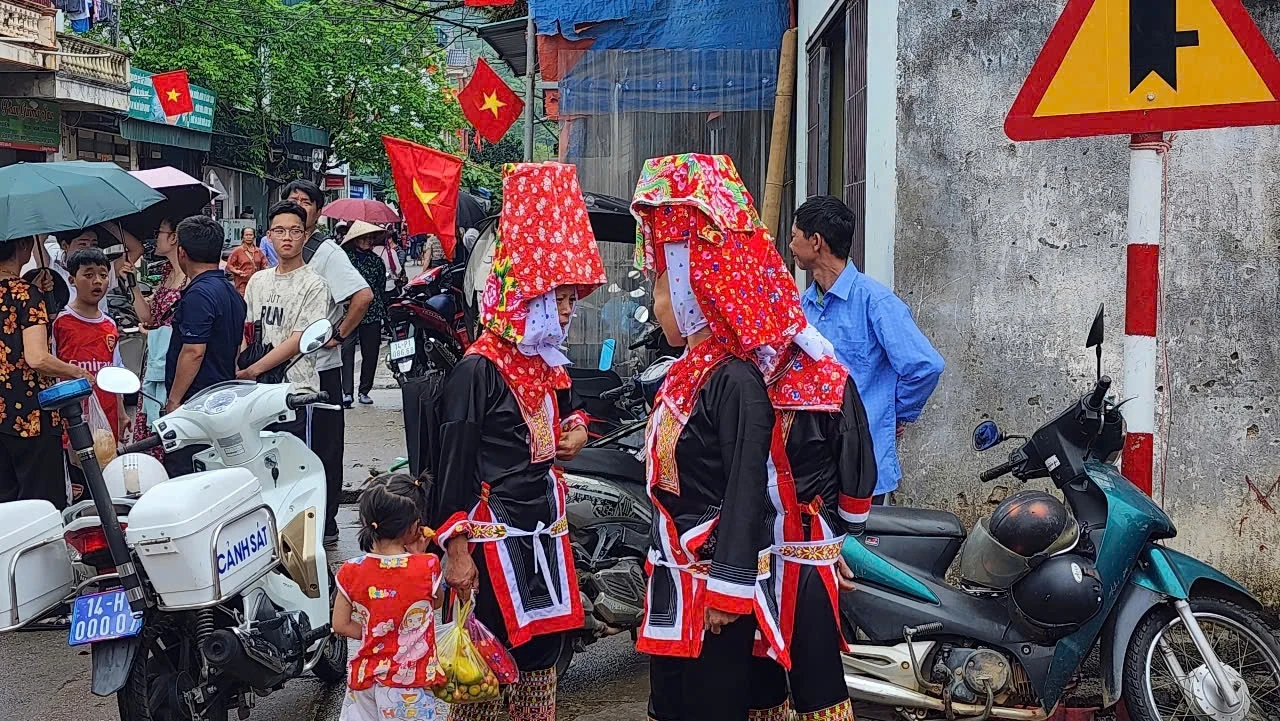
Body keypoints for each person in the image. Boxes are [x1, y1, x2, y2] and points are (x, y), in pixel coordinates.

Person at [432, 162, 605, 721]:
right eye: (558, 299)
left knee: (541, 661)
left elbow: (571, 409)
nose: (568, 310)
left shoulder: (544, 361)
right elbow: (452, 463)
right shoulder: (477, 370)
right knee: (488, 667)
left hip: (544, 537)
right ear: (523, 300)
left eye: (570, 299)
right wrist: (455, 552)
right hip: (491, 540)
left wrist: (574, 430)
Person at [630, 154, 787, 721]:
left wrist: (729, 586)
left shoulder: (736, 380)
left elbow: (748, 487)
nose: (656, 302)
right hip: (675, 577)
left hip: (714, 585)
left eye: (663, 288)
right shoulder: (687, 370)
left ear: (697, 290)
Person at [790, 195, 945, 504]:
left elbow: (926, 365)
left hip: (863, 467)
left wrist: (895, 413)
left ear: (816, 241)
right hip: (811, 467)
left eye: (794, 237)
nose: (791, 246)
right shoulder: (800, 307)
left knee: (861, 549)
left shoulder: (875, 302)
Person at [283, 179, 374, 544]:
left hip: (320, 370)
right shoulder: (277, 249)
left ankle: (327, 519)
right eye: (292, 200)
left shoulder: (327, 253)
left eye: (306, 202)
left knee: (323, 448)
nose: (299, 205)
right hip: (281, 372)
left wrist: (337, 335)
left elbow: (362, 296)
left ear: (318, 213)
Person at [332, 481, 442, 721]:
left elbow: (340, 624)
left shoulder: (351, 570)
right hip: (408, 682)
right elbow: (435, 603)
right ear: (413, 527)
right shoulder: (427, 566)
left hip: (364, 678)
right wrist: (418, 555)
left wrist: (376, 631)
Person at [0, 235, 93, 510]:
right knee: (40, 506)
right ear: (22, 246)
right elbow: (37, 357)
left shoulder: (28, 291)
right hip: (29, 417)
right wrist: (74, 371)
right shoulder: (26, 295)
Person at [238, 201, 330, 442]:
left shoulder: (314, 284)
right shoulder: (258, 281)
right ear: (269, 236)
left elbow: (299, 340)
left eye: (295, 231)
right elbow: (246, 332)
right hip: (256, 392)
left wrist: (252, 370)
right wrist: (243, 370)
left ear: (305, 235)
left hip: (295, 392)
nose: (287, 237)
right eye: (279, 231)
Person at [164, 215, 247, 476]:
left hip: (196, 405)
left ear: (182, 253)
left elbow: (193, 351)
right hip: (222, 397)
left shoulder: (199, 294)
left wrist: (174, 400)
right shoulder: (230, 291)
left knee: (187, 475)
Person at [121, 216, 186, 459]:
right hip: (154, 361)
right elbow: (148, 317)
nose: (155, 237)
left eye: (160, 231)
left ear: (174, 237)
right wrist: (133, 286)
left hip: (172, 364)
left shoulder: (189, 279)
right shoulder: (167, 273)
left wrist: (156, 332)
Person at [51, 248, 129, 444]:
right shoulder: (60, 323)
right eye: (88, 274)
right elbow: (51, 372)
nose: (97, 281)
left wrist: (121, 413)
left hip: (106, 413)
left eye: (103, 275)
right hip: (73, 415)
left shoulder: (109, 325)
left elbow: (115, 371)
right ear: (72, 280)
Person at [339, 221, 390, 407]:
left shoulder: (377, 262)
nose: (369, 241)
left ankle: (364, 390)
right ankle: (347, 392)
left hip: (373, 312)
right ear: (355, 240)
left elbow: (380, 288)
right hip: (348, 312)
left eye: (371, 238)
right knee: (346, 351)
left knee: (371, 352)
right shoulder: (344, 260)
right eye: (365, 238)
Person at [226, 226, 267, 295]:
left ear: (254, 236)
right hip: (242, 284)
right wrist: (236, 271)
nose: (249, 237)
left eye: (251, 235)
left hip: (256, 284)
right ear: (243, 237)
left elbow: (264, 265)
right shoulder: (237, 251)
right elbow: (229, 265)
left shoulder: (258, 251)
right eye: (246, 235)